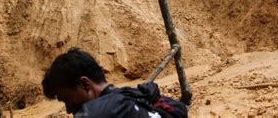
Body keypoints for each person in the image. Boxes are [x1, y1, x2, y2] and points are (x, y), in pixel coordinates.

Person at [42, 48, 188, 118]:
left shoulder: (94, 114)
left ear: (85, 84)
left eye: (67, 99)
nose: (68, 109)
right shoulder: (138, 98)